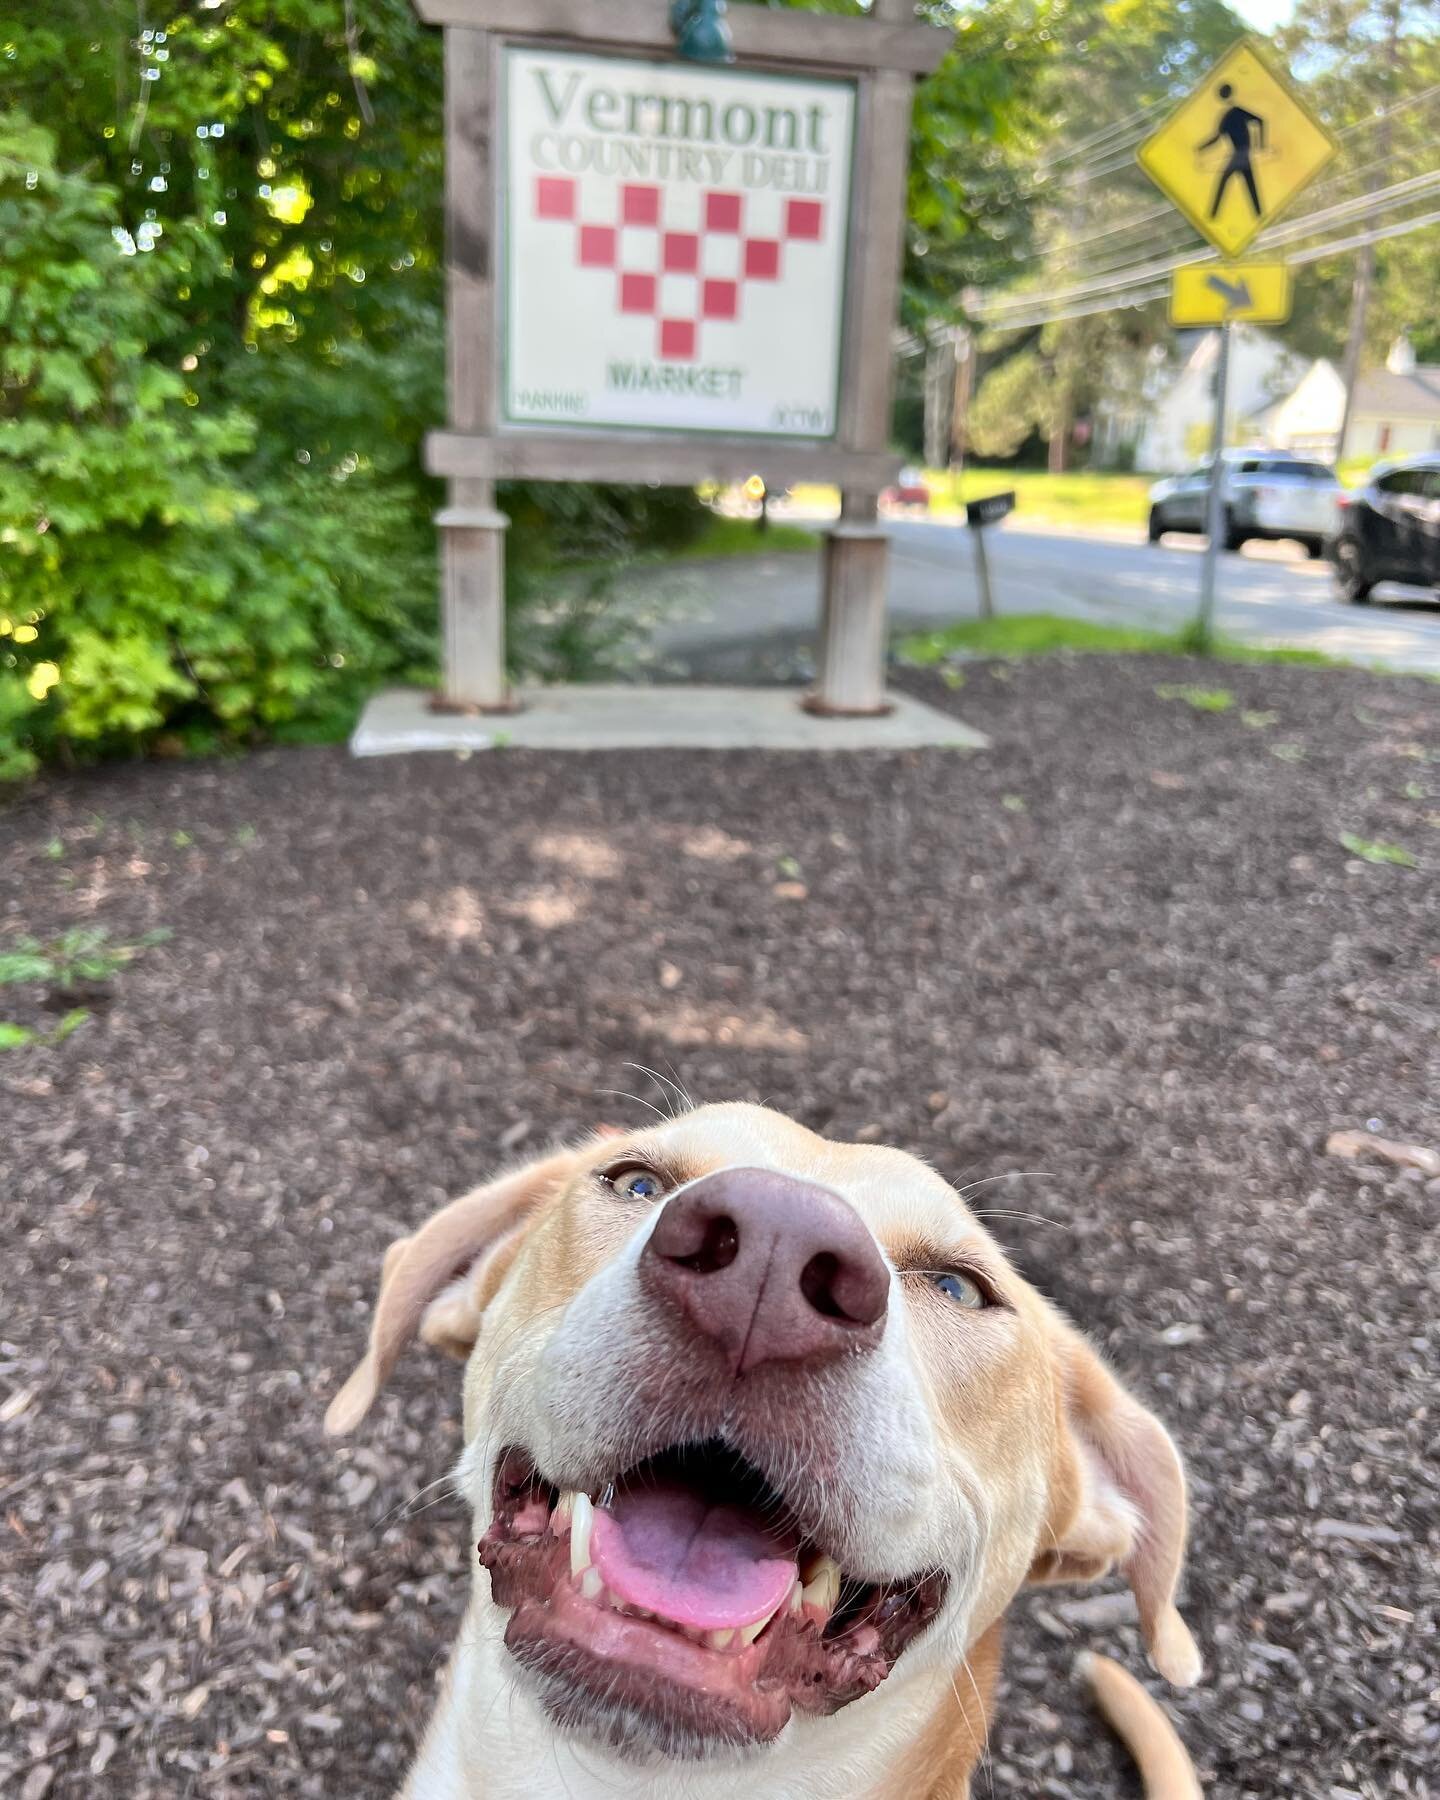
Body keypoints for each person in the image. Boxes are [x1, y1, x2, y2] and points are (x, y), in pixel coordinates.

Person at [1200, 83, 1265, 219]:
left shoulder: (1235, 112)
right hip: (1241, 154)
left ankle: (1212, 215)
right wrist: (1202, 148)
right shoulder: (1227, 116)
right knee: (1249, 183)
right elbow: (1217, 138)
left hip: (1241, 154)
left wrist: (1260, 144)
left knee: (1225, 180)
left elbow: (1260, 120)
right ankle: (1259, 215)